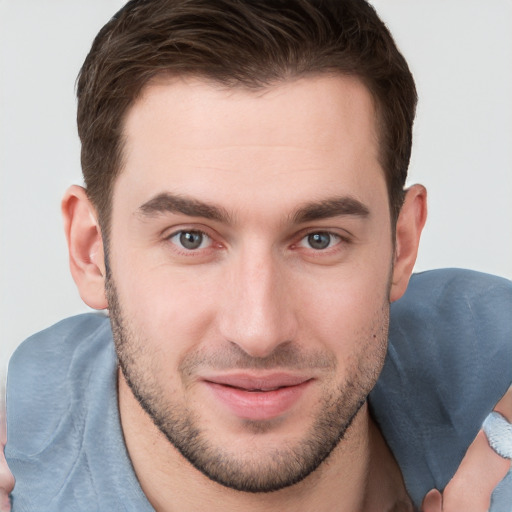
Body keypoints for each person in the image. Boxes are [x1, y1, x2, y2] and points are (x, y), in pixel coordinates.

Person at [3, 0, 512, 510]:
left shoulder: (485, 348)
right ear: (91, 251)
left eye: (320, 239)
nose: (258, 331)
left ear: (401, 246)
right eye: (191, 239)